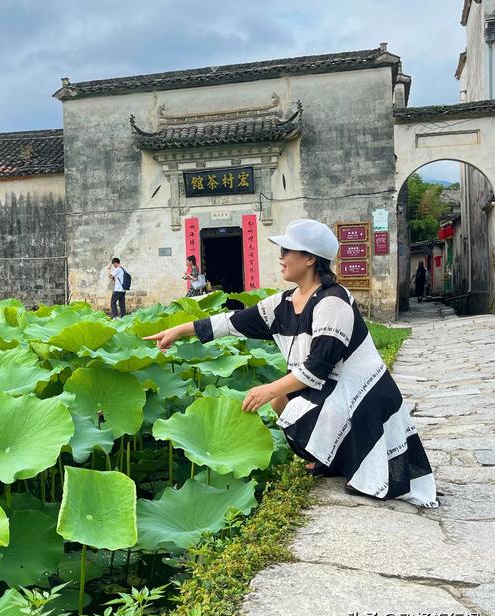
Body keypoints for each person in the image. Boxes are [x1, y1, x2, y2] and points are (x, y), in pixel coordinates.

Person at [146, 218, 438, 509]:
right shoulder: (285, 302)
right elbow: (232, 322)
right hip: (330, 391)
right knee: (283, 401)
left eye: (287, 251)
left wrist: (269, 389)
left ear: (310, 259)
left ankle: (347, 463)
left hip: (363, 397)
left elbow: (318, 367)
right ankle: (332, 461)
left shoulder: (333, 301)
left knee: (282, 399)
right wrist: (179, 331)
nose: (281, 258)